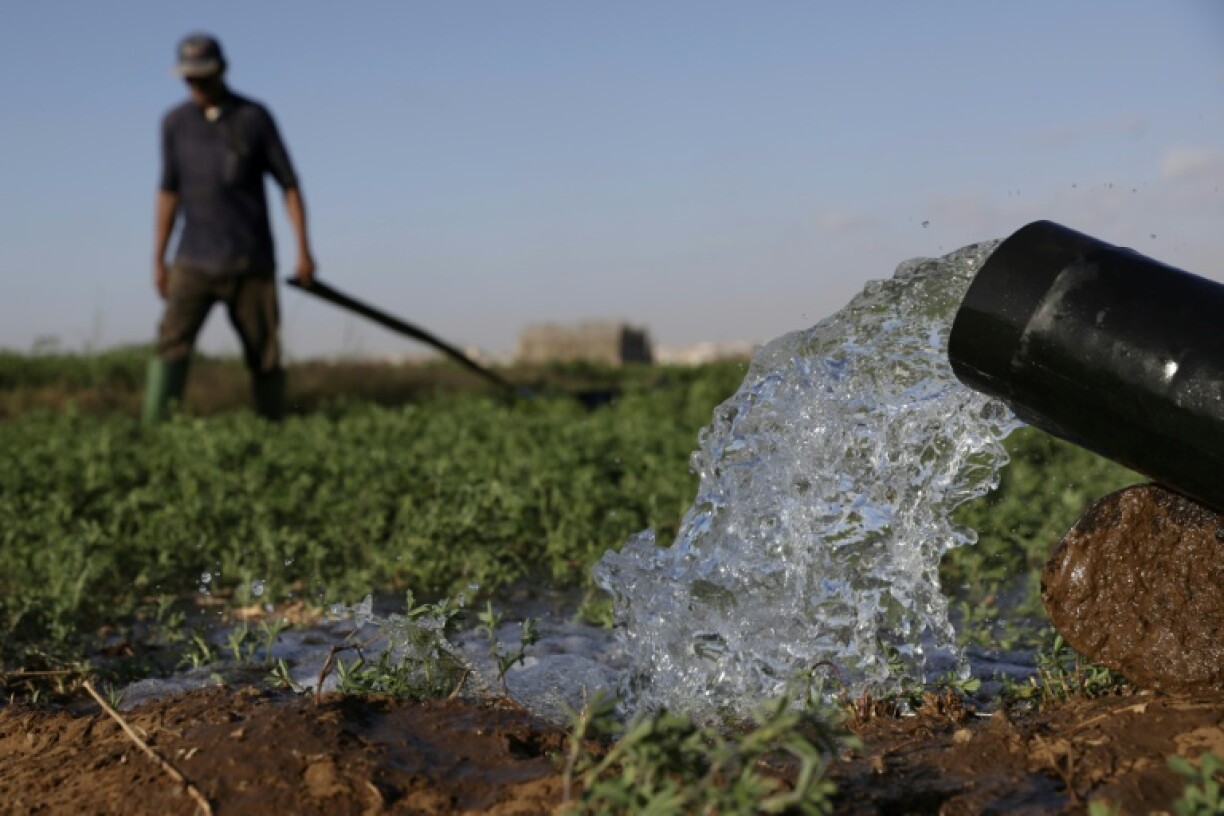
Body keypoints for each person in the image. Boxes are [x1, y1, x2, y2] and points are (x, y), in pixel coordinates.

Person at [144, 33, 316, 424]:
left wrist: (303, 250)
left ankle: (274, 432)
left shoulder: (253, 117)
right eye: (189, 79)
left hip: (250, 261)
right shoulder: (175, 124)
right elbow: (168, 194)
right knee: (170, 345)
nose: (196, 87)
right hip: (193, 259)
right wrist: (158, 259)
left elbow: (289, 185)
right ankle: (152, 436)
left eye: (203, 78)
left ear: (222, 71)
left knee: (265, 354)